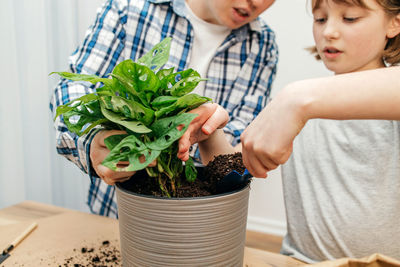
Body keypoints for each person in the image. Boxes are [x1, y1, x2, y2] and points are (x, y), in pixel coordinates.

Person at [180, 0, 400, 263]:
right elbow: (228, 172)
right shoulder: (292, 113)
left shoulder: (301, 102)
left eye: (350, 18)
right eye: (320, 19)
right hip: (298, 261)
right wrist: (209, 129)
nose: (328, 31)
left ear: (394, 23)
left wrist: (298, 99)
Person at [50, 0, 278, 218]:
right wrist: (92, 142)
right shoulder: (129, 8)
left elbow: (242, 145)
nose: (256, 1)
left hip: (204, 222)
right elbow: (74, 93)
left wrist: (210, 131)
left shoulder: (262, 43)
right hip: (118, 215)